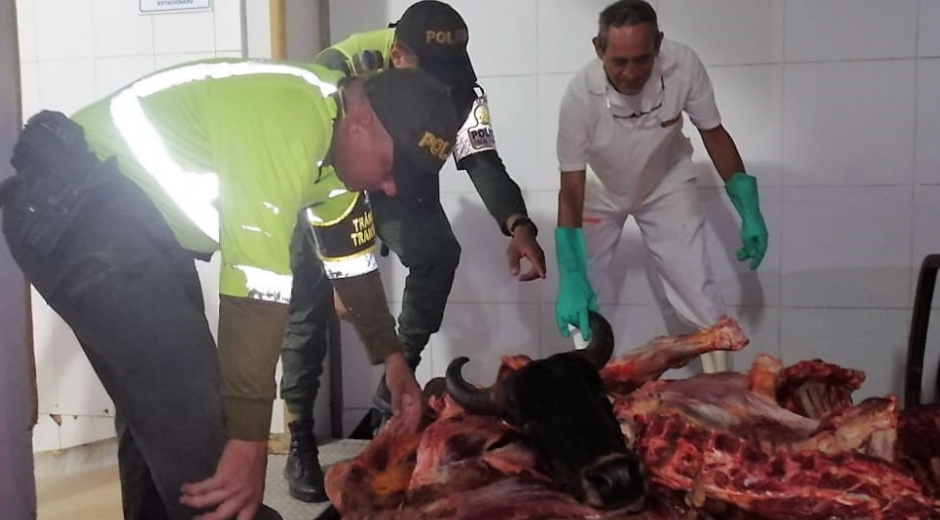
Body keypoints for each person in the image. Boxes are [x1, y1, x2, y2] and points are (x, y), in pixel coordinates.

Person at [0, 59, 458, 520]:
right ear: (362, 123)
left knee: (165, 416)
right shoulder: (289, 119)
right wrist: (249, 438)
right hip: (75, 206)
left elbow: (351, 263)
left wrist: (394, 361)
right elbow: (257, 290)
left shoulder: (337, 149)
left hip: (134, 227)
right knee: (207, 444)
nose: (393, 188)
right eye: (393, 168)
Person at [277, 0, 548, 503]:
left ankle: (389, 401)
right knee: (307, 308)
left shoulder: (461, 86)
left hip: (403, 188)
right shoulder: (337, 69)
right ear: (398, 55)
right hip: (328, 184)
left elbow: (481, 158)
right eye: (435, 78)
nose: (445, 90)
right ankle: (299, 441)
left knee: (438, 252)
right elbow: (307, 158)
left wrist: (517, 223)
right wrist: (342, 272)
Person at [554, 0, 768, 373]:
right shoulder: (579, 97)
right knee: (583, 298)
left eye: (642, 59)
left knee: (696, 288)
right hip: (600, 189)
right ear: (598, 48)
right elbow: (570, 188)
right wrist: (572, 274)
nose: (632, 72)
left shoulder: (683, 65)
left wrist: (748, 209)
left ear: (659, 44)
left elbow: (714, 136)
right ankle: (586, 387)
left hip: (665, 180)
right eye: (619, 62)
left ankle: (721, 390)